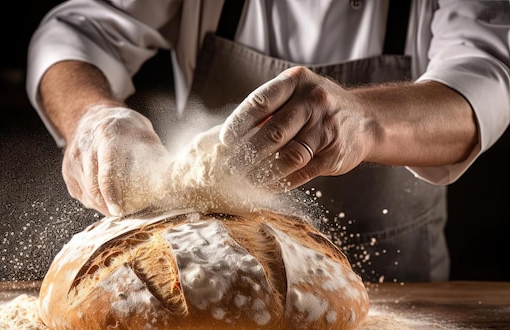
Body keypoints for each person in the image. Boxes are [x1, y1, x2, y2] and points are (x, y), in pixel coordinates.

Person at [26, 0, 510, 283]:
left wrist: (363, 120)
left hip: (399, 285)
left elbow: (488, 76)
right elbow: (77, 31)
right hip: (204, 279)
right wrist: (92, 114)